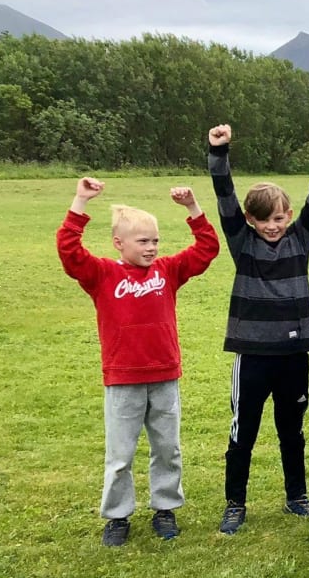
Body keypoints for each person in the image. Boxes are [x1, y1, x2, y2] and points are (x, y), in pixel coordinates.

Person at [57, 178, 219, 546]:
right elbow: (69, 252)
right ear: (119, 243)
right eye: (143, 241)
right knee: (120, 454)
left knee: (167, 449)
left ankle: (165, 508)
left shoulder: (167, 270)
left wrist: (192, 208)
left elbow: (207, 248)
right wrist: (80, 201)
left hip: (164, 376)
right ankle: (117, 516)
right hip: (123, 378)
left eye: (155, 241)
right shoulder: (102, 274)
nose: (151, 248)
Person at [208, 123, 309, 534]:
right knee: (242, 432)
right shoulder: (242, 242)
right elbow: (224, 196)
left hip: (294, 355)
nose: (272, 226)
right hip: (252, 355)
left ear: (289, 216)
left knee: (292, 431)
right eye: (263, 220)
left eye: (279, 218)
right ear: (250, 219)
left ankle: (297, 497)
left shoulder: (301, 239)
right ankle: (235, 503)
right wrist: (219, 151)